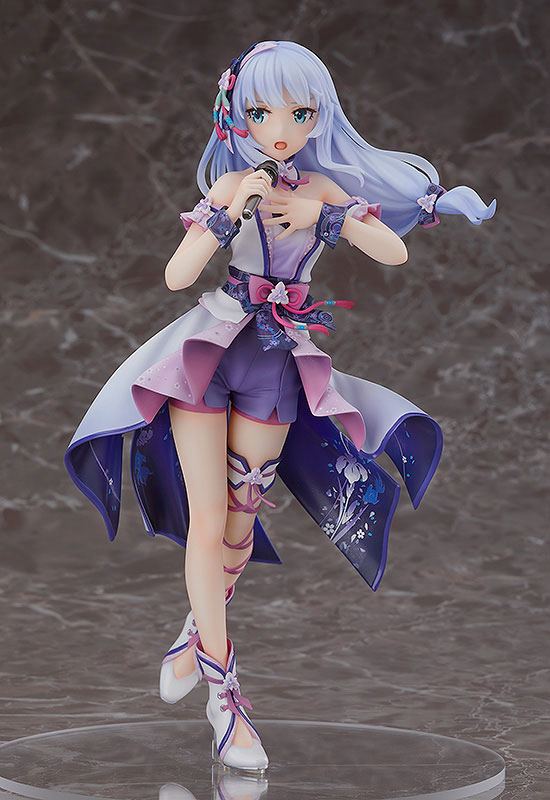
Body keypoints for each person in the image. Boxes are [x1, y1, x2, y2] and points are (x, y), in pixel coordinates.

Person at [64, 40, 496, 773]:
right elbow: (176, 275)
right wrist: (226, 216)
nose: (281, 128)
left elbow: (393, 252)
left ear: (320, 115)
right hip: (211, 349)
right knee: (209, 520)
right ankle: (224, 695)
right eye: (262, 112)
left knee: (240, 520)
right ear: (237, 114)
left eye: (300, 113)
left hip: (275, 363)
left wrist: (324, 216)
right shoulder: (232, 183)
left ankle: (193, 635)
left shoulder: (323, 187)